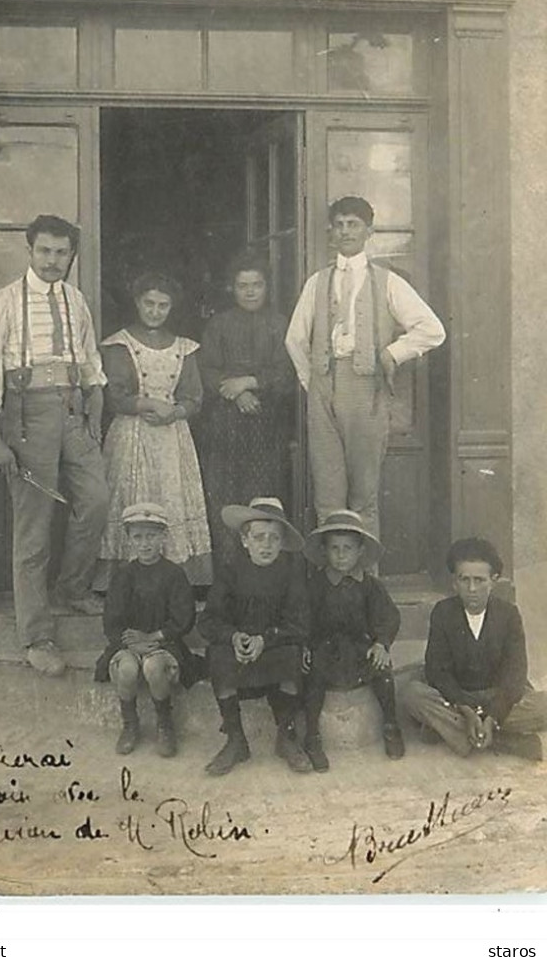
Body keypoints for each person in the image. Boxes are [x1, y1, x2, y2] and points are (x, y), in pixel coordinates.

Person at [0, 215, 109, 677]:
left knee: (96, 501)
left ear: (71, 256)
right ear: (30, 251)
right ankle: (36, 634)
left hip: (73, 411)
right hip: (26, 416)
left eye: (61, 253)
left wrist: (94, 406)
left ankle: (72, 587)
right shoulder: (4, 303)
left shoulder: (75, 300)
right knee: (34, 526)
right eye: (44, 251)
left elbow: (89, 362)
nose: (52, 261)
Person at [285, 196, 445, 538]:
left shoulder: (387, 281)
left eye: (353, 224)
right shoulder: (317, 281)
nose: (345, 231)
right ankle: (331, 581)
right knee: (327, 489)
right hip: (323, 389)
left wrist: (393, 353)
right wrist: (312, 381)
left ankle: (364, 579)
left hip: (366, 391)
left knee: (364, 493)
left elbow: (432, 330)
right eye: (339, 225)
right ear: (332, 232)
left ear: (368, 231)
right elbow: (295, 340)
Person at [98, 271, 212, 589]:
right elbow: (115, 396)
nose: (155, 311)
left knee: (170, 497)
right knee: (132, 497)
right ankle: (124, 580)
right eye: (149, 304)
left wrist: (174, 412)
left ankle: (175, 579)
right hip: (132, 434)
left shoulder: (184, 348)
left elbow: (194, 397)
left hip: (173, 437)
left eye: (163, 305)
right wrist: (149, 406)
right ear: (137, 303)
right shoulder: (119, 344)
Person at [404, 537, 547, 762]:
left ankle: (454, 732)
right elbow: (438, 670)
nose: (472, 589)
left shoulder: (509, 614)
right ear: (454, 582)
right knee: (411, 695)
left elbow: (515, 673)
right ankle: (502, 741)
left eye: (480, 580)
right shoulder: (443, 612)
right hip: (456, 696)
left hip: (496, 695)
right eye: (464, 580)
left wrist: (493, 717)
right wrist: (467, 710)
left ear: (494, 580)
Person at [198, 497, 310, 776]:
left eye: (274, 538)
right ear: (245, 541)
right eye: (259, 537)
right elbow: (209, 620)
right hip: (240, 651)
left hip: (274, 648)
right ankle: (236, 739)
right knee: (218, 656)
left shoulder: (291, 573)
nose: (267, 545)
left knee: (293, 655)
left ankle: (286, 736)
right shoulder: (230, 572)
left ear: (282, 543)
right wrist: (234, 636)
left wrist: (267, 639)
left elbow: (300, 623)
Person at [198, 249, 295, 568]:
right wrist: (235, 393)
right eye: (243, 285)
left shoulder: (280, 325)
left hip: (267, 425)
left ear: (267, 287)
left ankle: (262, 566)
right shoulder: (219, 325)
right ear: (232, 288)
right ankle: (228, 567)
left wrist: (250, 381)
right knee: (225, 494)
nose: (250, 291)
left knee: (264, 494)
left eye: (257, 284)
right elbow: (207, 370)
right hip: (225, 427)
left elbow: (288, 373)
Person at [302, 510, 405, 771]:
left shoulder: (370, 586)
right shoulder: (315, 585)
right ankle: (312, 736)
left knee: (382, 670)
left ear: (360, 551)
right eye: (334, 548)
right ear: (324, 551)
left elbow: (389, 616)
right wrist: (304, 645)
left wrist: (382, 643)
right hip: (325, 650)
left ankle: (391, 724)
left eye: (347, 548)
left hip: (361, 650)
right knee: (312, 677)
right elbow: (302, 617)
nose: (341, 554)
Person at [94, 503, 199, 758]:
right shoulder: (124, 575)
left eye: (151, 536)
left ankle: (165, 723)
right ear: (129, 539)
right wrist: (132, 643)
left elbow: (184, 617)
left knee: (153, 667)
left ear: (163, 537)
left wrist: (155, 637)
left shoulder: (174, 574)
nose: (145, 543)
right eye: (138, 537)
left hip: (163, 643)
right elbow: (112, 620)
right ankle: (130, 724)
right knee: (128, 669)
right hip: (128, 643)